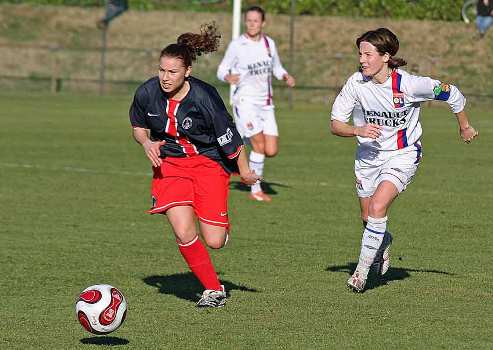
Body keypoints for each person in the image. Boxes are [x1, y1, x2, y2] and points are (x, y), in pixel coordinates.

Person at [330, 28, 479, 293]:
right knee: (368, 217)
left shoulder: (409, 85)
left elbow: (451, 93)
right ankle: (382, 242)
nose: (362, 59)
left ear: (386, 56)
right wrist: (358, 130)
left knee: (377, 208)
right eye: (360, 54)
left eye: (368, 54)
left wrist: (464, 126)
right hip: (368, 157)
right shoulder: (356, 83)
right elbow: (335, 124)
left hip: (403, 155)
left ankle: (360, 275)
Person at [129, 23, 260, 307]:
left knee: (214, 240)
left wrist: (246, 171)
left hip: (208, 164)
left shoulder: (204, 96)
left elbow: (230, 136)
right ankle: (213, 289)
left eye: (172, 72)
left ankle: (216, 220)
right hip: (170, 166)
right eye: (161, 70)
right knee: (183, 230)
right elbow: (138, 127)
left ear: (187, 71)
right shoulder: (146, 92)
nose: (165, 77)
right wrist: (147, 143)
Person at [217, 5, 295, 202]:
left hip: (266, 104)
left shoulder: (269, 43)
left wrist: (285, 76)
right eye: (249, 20)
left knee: (271, 150)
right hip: (245, 102)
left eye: (255, 20)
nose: (252, 24)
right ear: (245, 22)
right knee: (259, 146)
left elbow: (276, 67)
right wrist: (228, 76)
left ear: (263, 23)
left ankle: (238, 144)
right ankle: (256, 190)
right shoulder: (237, 45)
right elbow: (221, 70)